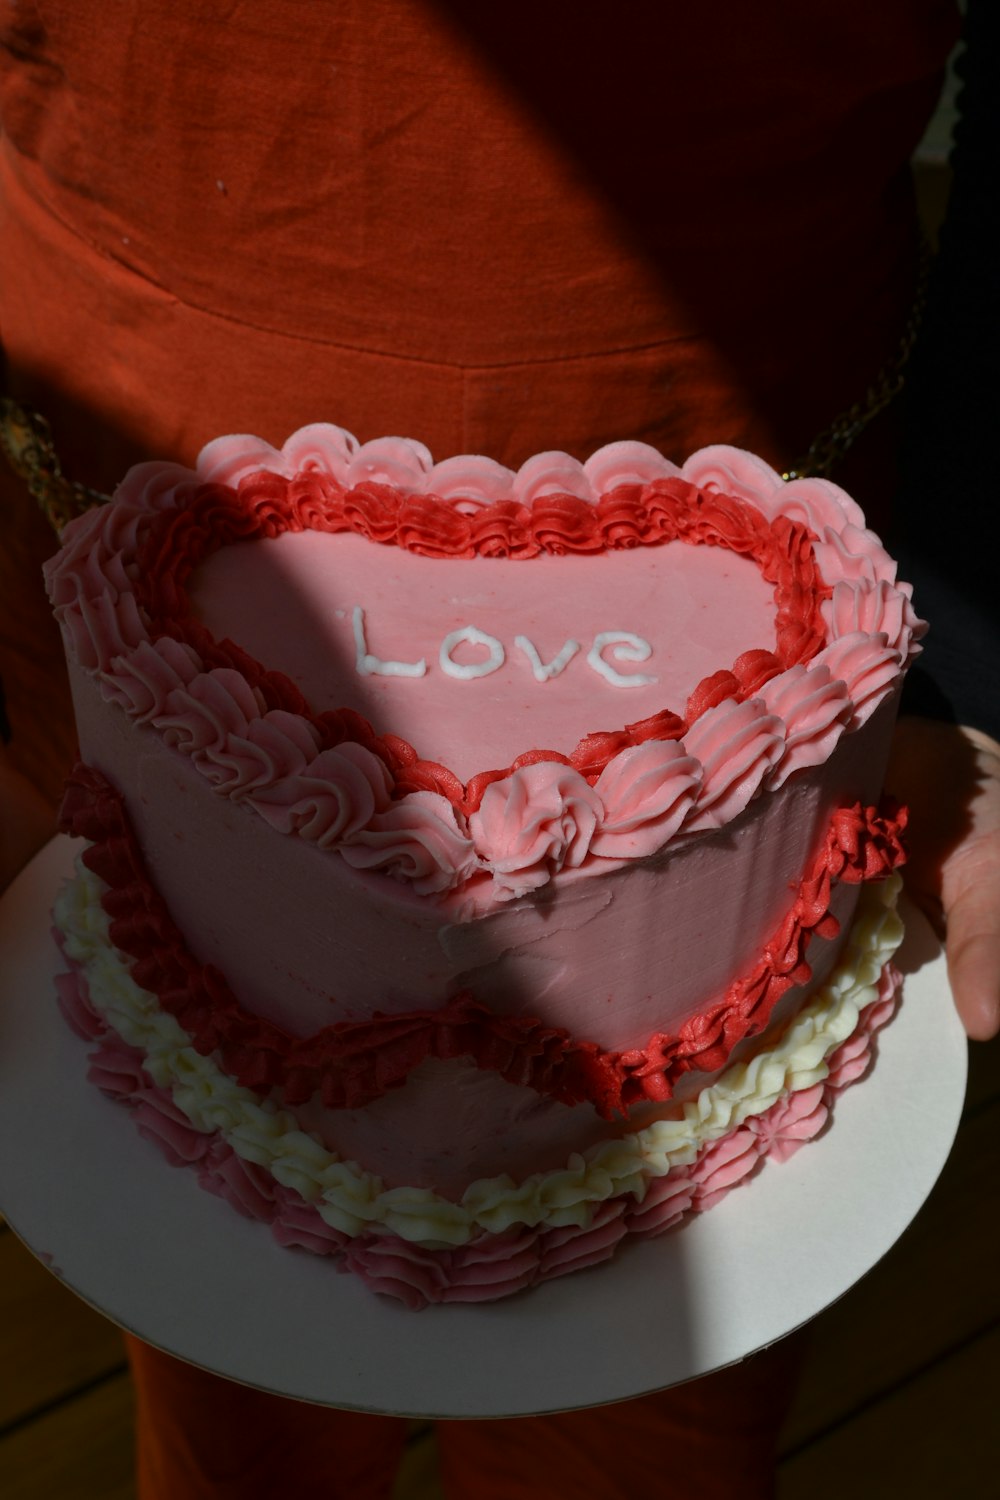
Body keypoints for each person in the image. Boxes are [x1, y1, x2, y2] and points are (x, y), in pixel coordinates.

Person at [1, 3, 997, 1496]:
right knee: (218, 1314)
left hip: (761, 519)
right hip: (119, 511)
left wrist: (985, 665)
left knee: (659, 1413)